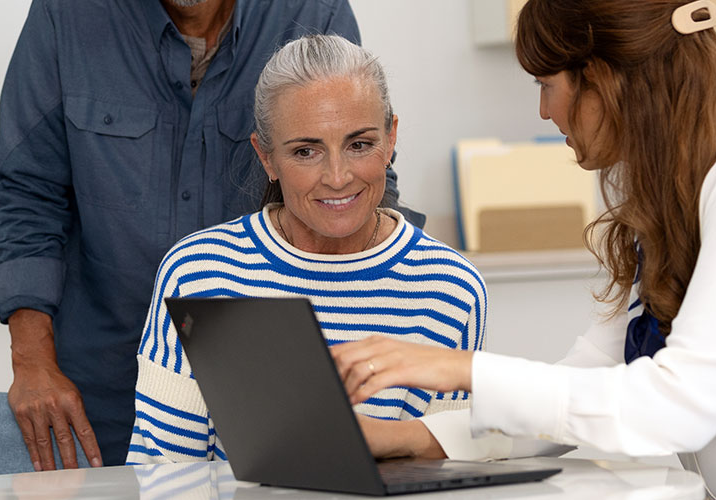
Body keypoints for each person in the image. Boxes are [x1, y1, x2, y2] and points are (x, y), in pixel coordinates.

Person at [0, 0, 421, 471]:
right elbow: (24, 196)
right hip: (100, 389)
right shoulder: (64, 19)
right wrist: (32, 363)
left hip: (275, 387)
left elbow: (361, 186)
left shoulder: (313, 11)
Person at [333, 0, 716, 500]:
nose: (544, 111)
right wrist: (408, 437)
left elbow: (677, 406)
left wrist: (462, 369)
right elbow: (585, 386)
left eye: (544, 84)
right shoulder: (684, 193)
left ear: (602, 79)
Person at [126, 34, 487, 464]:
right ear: (266, 157)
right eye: (305, 151)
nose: (337, 177)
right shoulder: (197, 273)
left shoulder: (451, 287)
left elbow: (449, 475)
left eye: (359, 145)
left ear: (391, 138)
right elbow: (163, 473)